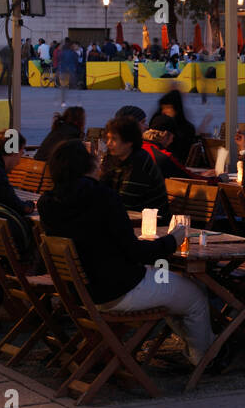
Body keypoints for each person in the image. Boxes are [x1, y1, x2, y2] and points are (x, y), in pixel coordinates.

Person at [38, 140, 212, 368]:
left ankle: (193, 351)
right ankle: (205, 360)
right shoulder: (103, 198)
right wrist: (172, 240)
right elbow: (135, 252)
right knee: (196, 295)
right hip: (120, 288)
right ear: (89, 166)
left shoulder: (48, 203)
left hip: (82, 293)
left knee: (173, 288)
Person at [100, 115, 170, 218]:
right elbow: (102, 191)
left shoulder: (139, 162)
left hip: (152, 223)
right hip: (125, 217)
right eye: (108, 138)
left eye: (114, 139)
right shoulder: (112, 157)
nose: (109, 143)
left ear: (129, 142)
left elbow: (125, 203)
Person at [142, 113, 200, 179]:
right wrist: (211, 179)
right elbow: (189, 177)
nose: (172, 140)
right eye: (173, 136)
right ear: (166, 135)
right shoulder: (163, 156)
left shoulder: (136, 148)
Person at [153, 89, 196, 164]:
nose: (164, 111)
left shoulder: (187, 128)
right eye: (163, 108)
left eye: (168, 108)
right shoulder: (159, 124)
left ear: (177, 109)